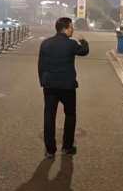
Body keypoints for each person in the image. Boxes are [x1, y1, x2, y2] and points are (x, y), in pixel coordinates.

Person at [37, 17, 89, 159]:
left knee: (49, 116)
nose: (73, 29)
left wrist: (43, 81)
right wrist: (83, 40)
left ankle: (50, 150)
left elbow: (41, 65)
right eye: (71, 27)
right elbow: (84, 51)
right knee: (70, 114)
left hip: (50, 85)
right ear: (65, 29)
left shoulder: (46, 43)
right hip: (67, 86)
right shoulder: (71, 44)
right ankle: (67, 147)